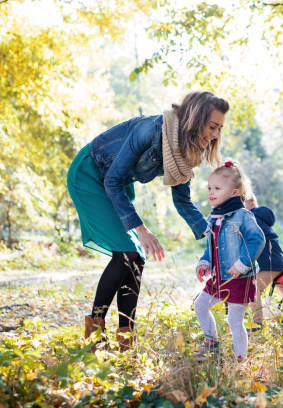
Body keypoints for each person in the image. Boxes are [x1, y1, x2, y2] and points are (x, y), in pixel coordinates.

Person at [67, 91, 229, 352]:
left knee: (136, 257)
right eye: (212, 126)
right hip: (91, 175)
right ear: (196, 119)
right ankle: (93, 337)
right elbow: (112, 180)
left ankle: (125, 341)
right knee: (127, 253)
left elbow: (183, 202)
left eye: (219, 128)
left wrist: (214, 234)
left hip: (114, 184)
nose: (215, 135)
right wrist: (141, 229)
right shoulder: (151, 131)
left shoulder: (187, 152)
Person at [194, 161, 265, 361]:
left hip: (239, 276)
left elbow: (257, 240)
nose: (211, 192)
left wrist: (242, 264)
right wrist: (205, 262)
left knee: (234, 319)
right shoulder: (214, 217)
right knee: (200, 305)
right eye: (209, 188)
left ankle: (240, 358)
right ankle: (212, 343)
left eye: (217, 188)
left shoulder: (243, 216)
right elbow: (211, 246)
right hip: (219, 276)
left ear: (235, 192)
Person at [245, 194, 283, 331]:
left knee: (253, 290)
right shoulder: (263, 219)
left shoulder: (251, 218)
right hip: (279, 262)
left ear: (252, 203)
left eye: (243, 204)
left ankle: (257, 324)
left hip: (268, 264)